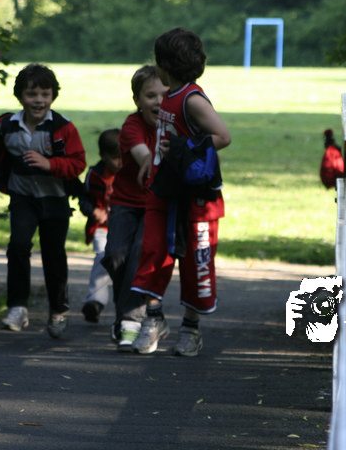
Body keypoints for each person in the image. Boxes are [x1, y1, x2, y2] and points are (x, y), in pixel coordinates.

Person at [127, 27, 232, 356]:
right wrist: (154, 159)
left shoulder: (192, 99)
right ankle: (154, 319)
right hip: (164, 189)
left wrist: (182, 149)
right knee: (153, 251)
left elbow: (223, 136)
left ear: (163, 65)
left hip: (196, 197)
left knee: (195, 263)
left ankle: (190, 328)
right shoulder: (170, 95)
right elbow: (167, 137)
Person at [0, 63, 87, 339]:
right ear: (20, 96)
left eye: (45, 94)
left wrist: (50, 164)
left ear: (53, 96)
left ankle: (58, 310)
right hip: (22, 197)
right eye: (31, 94)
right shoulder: (5, 127)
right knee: (18, 245)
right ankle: (17, 307)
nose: (39, 100)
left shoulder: (63, 128)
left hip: (55, 200)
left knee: (54, 255)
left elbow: (78, 163)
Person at [100, 65, 168, 352]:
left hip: (156, 205)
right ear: (137, 101)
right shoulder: (131, 126)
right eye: (150, 96)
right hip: (126, 203)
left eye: (165, 95)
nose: (159, 102)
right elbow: (145, 158)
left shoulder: (176, 124)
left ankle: (130, 322)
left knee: (140, 256)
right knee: (115, 256)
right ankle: (128, 315)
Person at [80, 128, 122, 323]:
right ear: (103, 156)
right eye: (115, 158)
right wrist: (92, 211)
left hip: (125, 227)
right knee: (103, 257)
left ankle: (129, 307)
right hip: (102, 227)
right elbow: (83, 198)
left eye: (123, 157)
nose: (120, 162)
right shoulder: (94, 175)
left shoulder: (130, 174)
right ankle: (95, 301)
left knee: (124, 264)